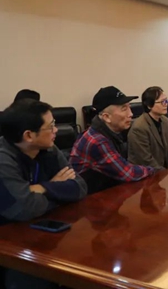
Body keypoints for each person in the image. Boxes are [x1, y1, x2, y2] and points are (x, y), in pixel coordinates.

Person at [0, 100, 87, 289]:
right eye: (51, 126)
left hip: (41, 230)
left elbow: (80, 187)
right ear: (29, 135)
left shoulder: (48, 149)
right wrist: (57, 188)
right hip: (9, 242)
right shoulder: (3, 159)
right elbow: (25, 208)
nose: (56, 130)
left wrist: (41, 188)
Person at [70, 86, 154, 194]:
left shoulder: (111, 132)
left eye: (129, 107)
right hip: (86, 199)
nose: (131, 114)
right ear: (106, 117)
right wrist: (152, 170)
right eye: (124, 109)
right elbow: (128, 173)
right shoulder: (97, 141)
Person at [127, 86, 168, 170]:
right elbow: (146, 160)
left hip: (162, 170)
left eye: (166, 101)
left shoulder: (166, 121)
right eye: (162, 102)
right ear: (149, 106)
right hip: (144, 172)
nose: (166, 104)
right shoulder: (139, 127)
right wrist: (166, 173)